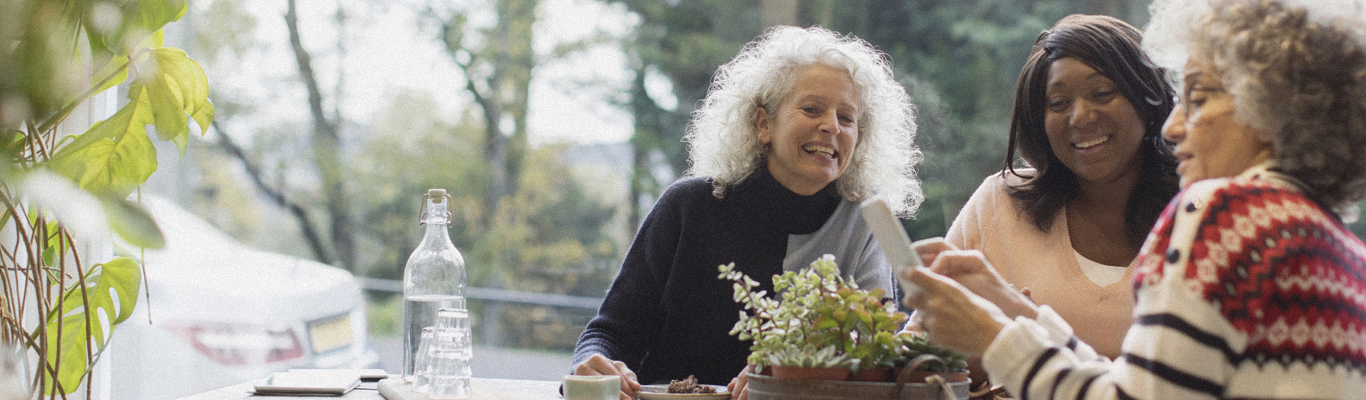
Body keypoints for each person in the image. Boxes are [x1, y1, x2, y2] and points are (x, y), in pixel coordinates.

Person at [904, 0, 1366, 398]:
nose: (1172, 127)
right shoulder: (1340, 248)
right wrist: (1012, 308)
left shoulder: (1227, 213)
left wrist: (991, 336)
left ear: (1269, 106)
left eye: (1199, 98)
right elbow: (1149, 384)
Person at [571, 26, 922, 400]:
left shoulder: (866, 222)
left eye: (847, 118)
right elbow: (609, 333)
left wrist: (787, 370)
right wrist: (593, 361)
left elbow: (875, 354)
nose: (831, 126)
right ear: (763, 123)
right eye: (811, 109)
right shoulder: (688, 206)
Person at [933, 14, 1178, 360]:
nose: (1081, 116)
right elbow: (922, 352)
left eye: (1102, 93)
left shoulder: (1201, 213)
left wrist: (1023, 332)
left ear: (1149, 103)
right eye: (1059, 103)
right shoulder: (999, 204)